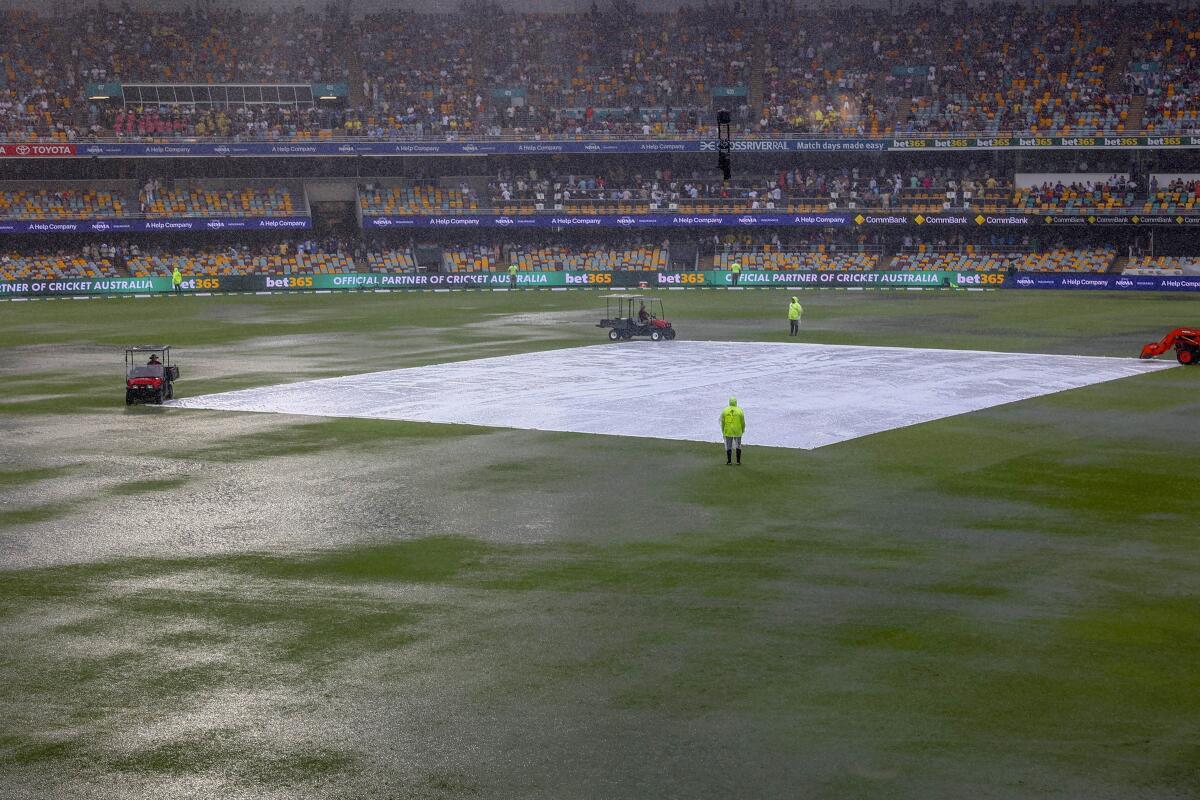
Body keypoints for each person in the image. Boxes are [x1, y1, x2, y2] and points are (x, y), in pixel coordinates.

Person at [719, 396, 745, 465]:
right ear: (736, 402)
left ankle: (729, 461)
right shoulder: (740, 411)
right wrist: (743, 430)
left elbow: (722, 422)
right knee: (738, 446)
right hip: (738, 431)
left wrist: (723, 431)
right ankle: (738, 461)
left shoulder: (725, 410)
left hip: (728, 431)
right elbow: (743, 422)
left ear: (729, 402)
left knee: (728, 446)